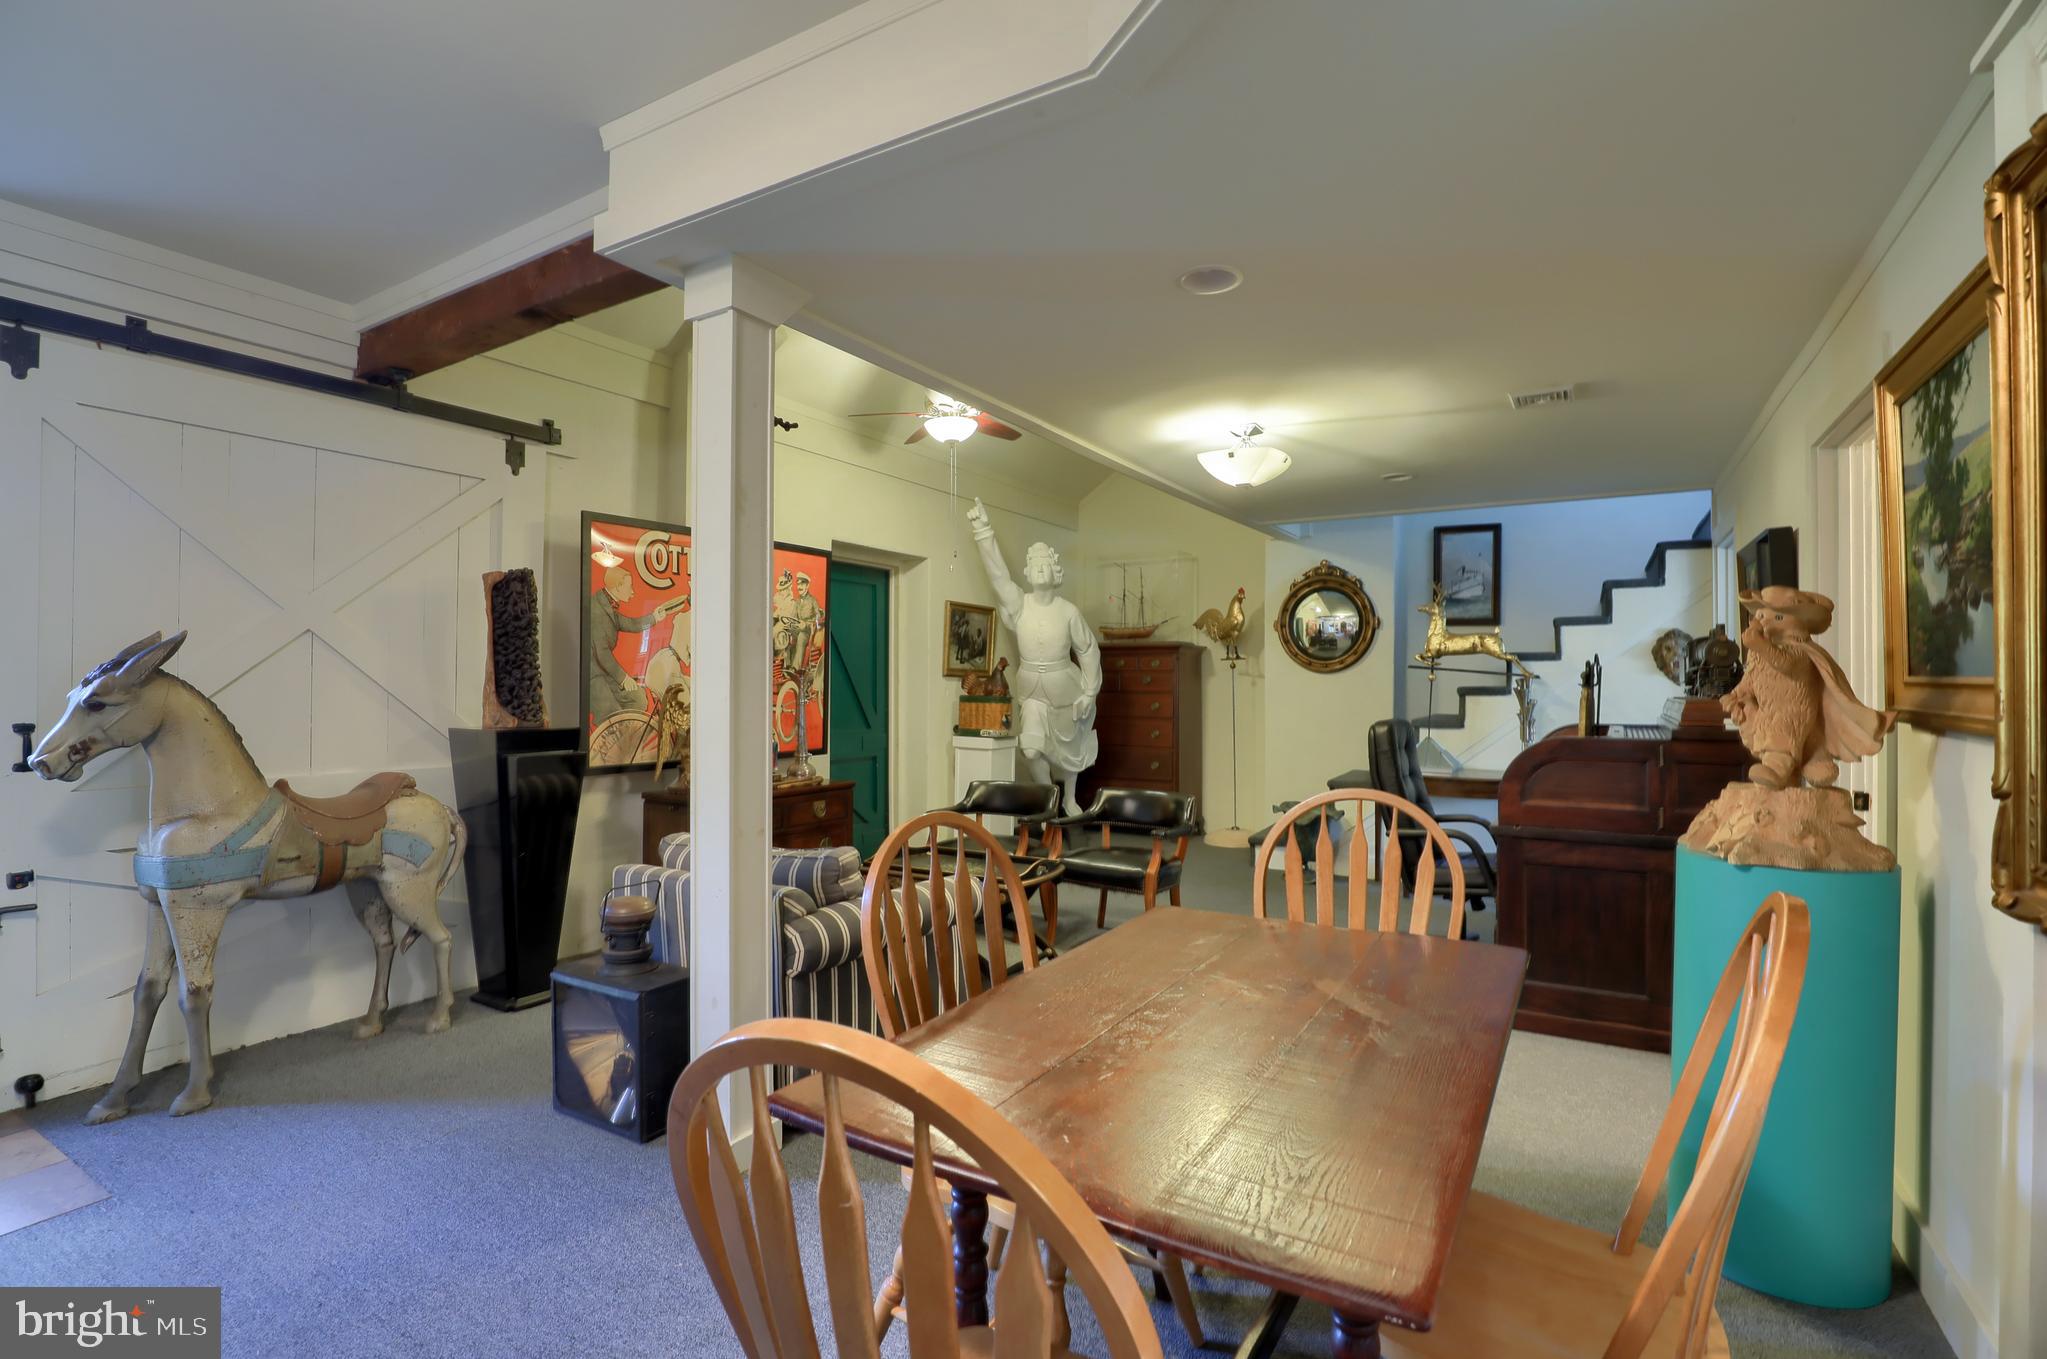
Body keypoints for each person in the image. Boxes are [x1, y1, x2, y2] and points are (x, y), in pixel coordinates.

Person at [966, 498, 1100, 811]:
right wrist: (983, 529)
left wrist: (1090, 692)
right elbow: (999, 577)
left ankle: (1068, 796)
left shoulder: (1068, 611)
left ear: (1056, 573)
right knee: (1030, 748)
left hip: (1065, 686)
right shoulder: (1020, 604)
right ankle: (1050, 795)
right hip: (1032, 689)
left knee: (1069, 748)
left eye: (1046, 566)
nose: (1041, 570)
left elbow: (1088, 650)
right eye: (1035, 566)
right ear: (1029, 573)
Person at [588, 566, 688, 723]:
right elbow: (602, 653)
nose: (633, 591)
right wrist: (623, 679)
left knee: (639, 698)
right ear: (619, 586)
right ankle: (620, 743)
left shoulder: (607, 604)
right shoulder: (597, 609)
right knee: (612, 713)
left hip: (605, 671)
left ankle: (630, 738)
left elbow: (628, 623)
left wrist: (654, 617)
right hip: (593, 675)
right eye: (629, 587)